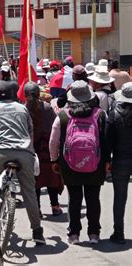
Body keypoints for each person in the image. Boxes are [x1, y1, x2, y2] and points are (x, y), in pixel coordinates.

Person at [0, 81, 46, 245]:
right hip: (24, 152)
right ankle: (37, 231)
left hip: (1, 152)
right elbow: (30, 131)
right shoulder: (22, 108)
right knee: (29, 191)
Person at [49, 80, 108, 245]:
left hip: (69, 164)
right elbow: (105, 141)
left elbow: (54, 142)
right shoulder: (100, 114)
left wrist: (54, 160)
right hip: (95, 164)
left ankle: (74, 234)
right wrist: (107, 162)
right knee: (93, 198)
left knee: (74, 199)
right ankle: (94, 234)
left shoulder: (62, 115)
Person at [24, 82, 64, 217]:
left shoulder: (23, 109)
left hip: (32, 151)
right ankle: (55, 206)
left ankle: (38, 209)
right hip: (47, 150)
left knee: (35, 180)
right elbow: (54, 128)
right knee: (51, 177)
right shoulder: (46, 108)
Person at [105, 83, 132, 244]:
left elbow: (108, 141)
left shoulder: (114, 114)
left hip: (120, 159)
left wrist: (107, 160)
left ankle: (119, 233)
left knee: (120, 198)